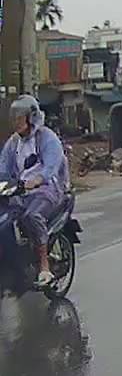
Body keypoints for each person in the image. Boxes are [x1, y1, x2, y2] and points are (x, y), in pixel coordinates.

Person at [1, 95, 70, 287]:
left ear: (31, 117)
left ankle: (44, 267)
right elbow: (3, 169)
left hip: (48, 189)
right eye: (14, 118)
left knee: (32, 216)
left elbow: (51, 167)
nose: (16, 122)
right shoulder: (13, 143)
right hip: (20, 192)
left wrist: (36, 181)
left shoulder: (47, 138)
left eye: (19, 117)